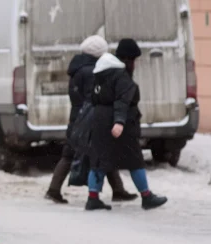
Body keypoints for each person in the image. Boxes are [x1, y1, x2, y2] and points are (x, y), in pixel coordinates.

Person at [45, 35, 136, 204]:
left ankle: (54, 189)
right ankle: (55, 190)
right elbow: (95, 96)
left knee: (76, 152)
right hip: (88, 119)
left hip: (77, 116)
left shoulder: (77, 68)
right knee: (101, 151)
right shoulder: (92, 71)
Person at [85, 39, 168, 211]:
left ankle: (93, 198)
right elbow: (122, 101)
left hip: (99, 121)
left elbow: (93, 98)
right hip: (119, 125)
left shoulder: (100, 74)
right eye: (134, 60)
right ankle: (146, 197)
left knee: (99, 159)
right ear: (127, 59)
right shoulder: (121, 76)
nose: (135, 65)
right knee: (135, 160)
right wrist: (119, 122)